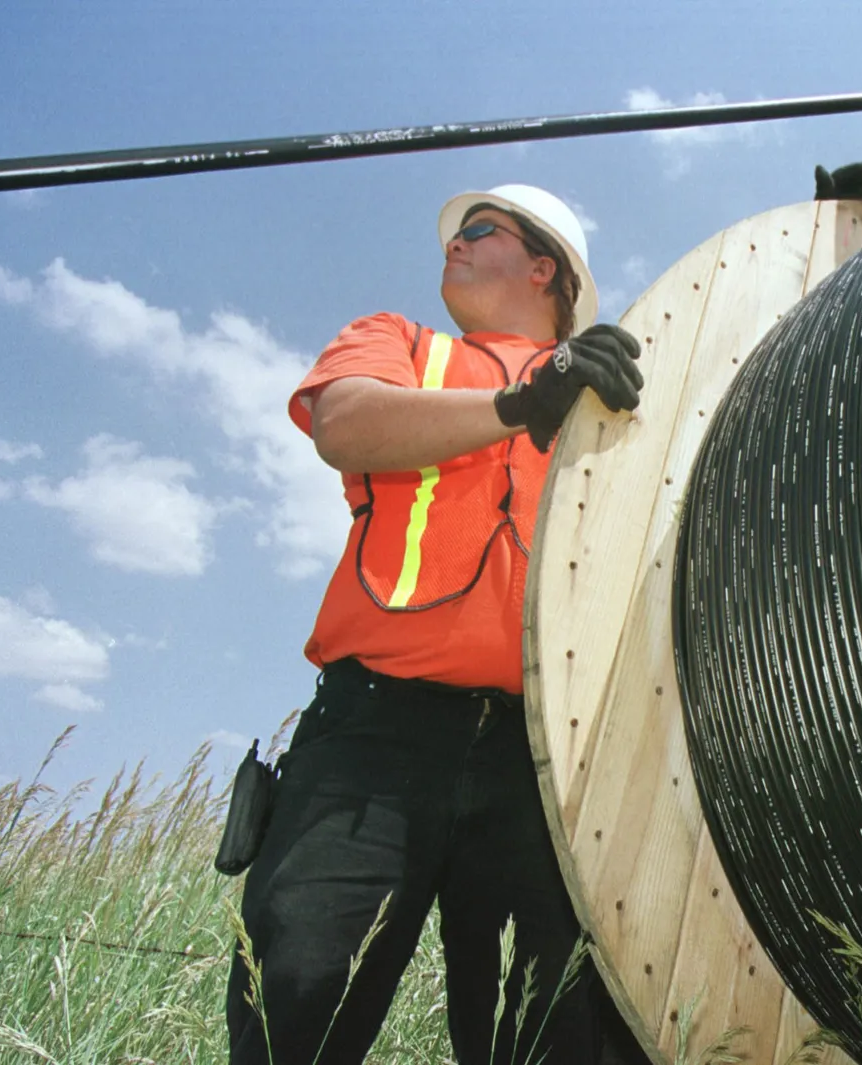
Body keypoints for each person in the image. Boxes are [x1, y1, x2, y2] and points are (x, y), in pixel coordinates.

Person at [226, 183, 645, 1065]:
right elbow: (342, 422)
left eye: (479, 230)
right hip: (374, 739)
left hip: (548, 759)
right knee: (299, 990)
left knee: (567, 1028)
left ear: (544, 268)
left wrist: (829, 253)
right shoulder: (402, 344)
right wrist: (523, 401)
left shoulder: (616, 398)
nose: (452, 242)